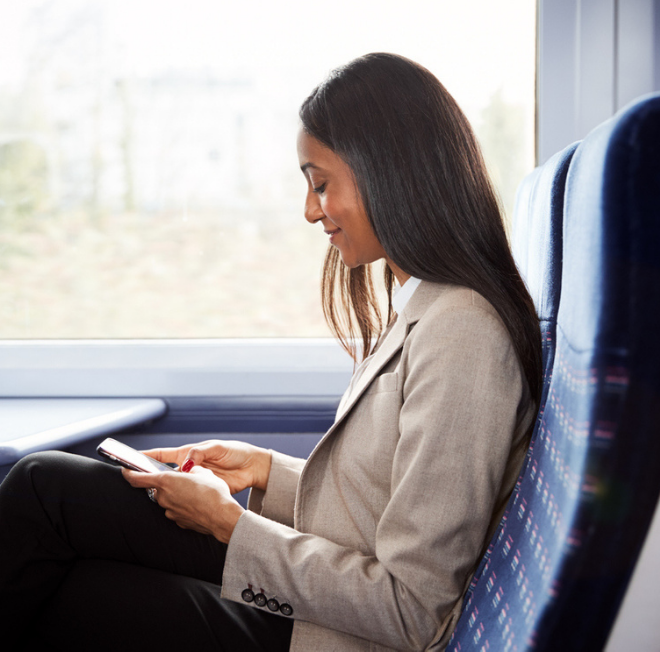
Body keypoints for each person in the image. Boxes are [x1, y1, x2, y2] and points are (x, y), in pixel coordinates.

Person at [0, 53, 541, 651]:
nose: (311, 210)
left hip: (334, 636)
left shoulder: (462, 331)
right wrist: (263, 469)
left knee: (73, 587)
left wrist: (230, 526)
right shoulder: (427, 306)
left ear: (387, 172)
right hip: (321, 604)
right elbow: (380, 505)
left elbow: (411, 608)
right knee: (47, 487)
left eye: (321, 183)